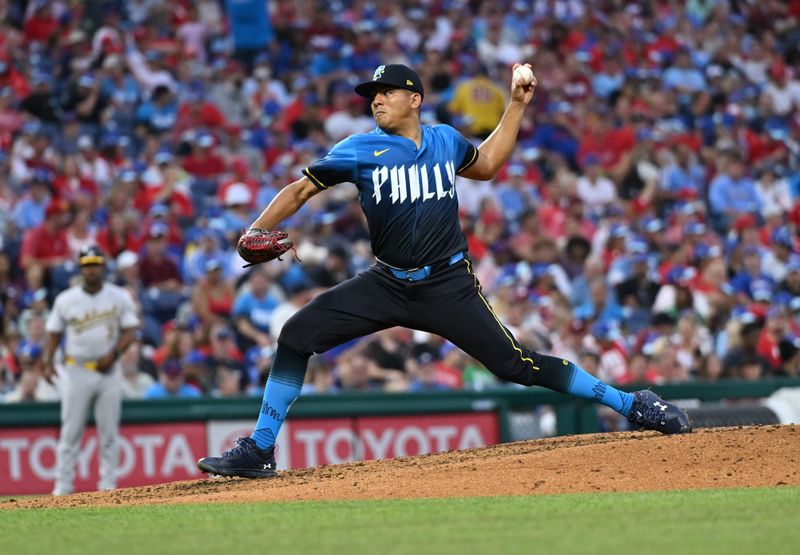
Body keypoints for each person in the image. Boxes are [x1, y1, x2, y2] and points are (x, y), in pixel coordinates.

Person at [197, 63, 691, 479]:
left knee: (515, 365)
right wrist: (256, 227)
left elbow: (489, 164)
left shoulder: (446, 141)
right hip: (387, 281)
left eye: (386, 92)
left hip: (447, 284)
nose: (376, 100)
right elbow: (302, 189)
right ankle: (261, 449)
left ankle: (632, 404)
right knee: (296, 333)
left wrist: (516, 105)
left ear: (415, 98)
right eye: (372, 95)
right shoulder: (358, 149)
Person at [43, 245, 140, 495]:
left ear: (103, 267)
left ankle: (108, 486)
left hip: (108, 371)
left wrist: (115, 353)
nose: (92, 269)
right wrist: (46, 361)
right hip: (76, 370)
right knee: (70, 432)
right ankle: (62, 486)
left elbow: (130, 329)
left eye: (95, 264)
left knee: (108, 432)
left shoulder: (118, 296)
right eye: (87, 265)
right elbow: (53, 333)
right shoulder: (67, 299)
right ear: (81, 268)